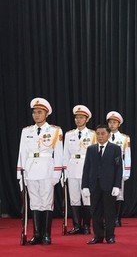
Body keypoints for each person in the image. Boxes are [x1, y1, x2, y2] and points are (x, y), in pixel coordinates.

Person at [16, 97, 64, 245]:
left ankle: (46, 235)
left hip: (47, 170)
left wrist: (57, 174)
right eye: (34, 112)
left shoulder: (55, 130)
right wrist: (20, 173)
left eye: (39, 112)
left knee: (46, 203)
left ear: (46, 114)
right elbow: (22, 153)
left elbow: (59, 153)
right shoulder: (26, 131)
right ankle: (36, 234)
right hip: (30, 170)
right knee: (34, 203)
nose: (36, 115)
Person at [81, 124, 123, 244]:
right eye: (98, 134)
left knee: (109, 212)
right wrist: (85, 185)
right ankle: (98, 236)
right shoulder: (91, 149)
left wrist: (117, 185)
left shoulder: (115, 149)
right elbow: (86, 168)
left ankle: (110, 235)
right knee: (95, 212)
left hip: (109, 185)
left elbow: (118, 168)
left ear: (109, 135)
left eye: (103, 133)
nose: (100, 136)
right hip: (94, 185)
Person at [63, 105, 96, 235]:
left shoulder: (93, 134)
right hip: (72, 168)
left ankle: (87, 225)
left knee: (86, 198)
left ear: (87, 119)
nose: (78, 120)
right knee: (74, 198)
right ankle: (77, 225)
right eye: (76, 117)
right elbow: (65, 154)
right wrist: (64, 171)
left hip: (86, 168)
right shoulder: (69, 134)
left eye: (81, 117)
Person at [106, 111, 131, 226]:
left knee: (119, 194)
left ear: (119, 124)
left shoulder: (124, 138)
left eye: (114, 122)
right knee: (106, 193)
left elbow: (127, 155)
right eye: (110, 122)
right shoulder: (103, 135)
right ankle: (107, 218)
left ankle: (117, 218)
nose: (112, 124)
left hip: (119, 168)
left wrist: (127, 171)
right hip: (106, 169)